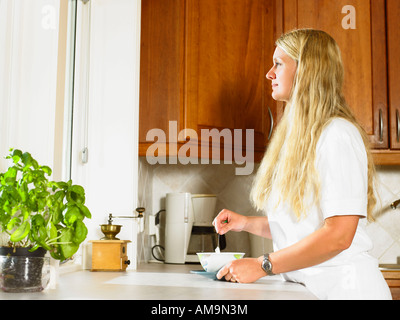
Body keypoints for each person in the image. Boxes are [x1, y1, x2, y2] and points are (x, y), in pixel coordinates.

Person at [213, 29, 392, 300]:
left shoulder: (337, 134)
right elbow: (303, 227)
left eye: (278, 63)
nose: (269, 74)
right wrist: (247, 223)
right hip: (314, 291)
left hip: (348, 291)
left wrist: (263, 265)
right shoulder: (303, 137)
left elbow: (339, 235)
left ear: (306, 70)